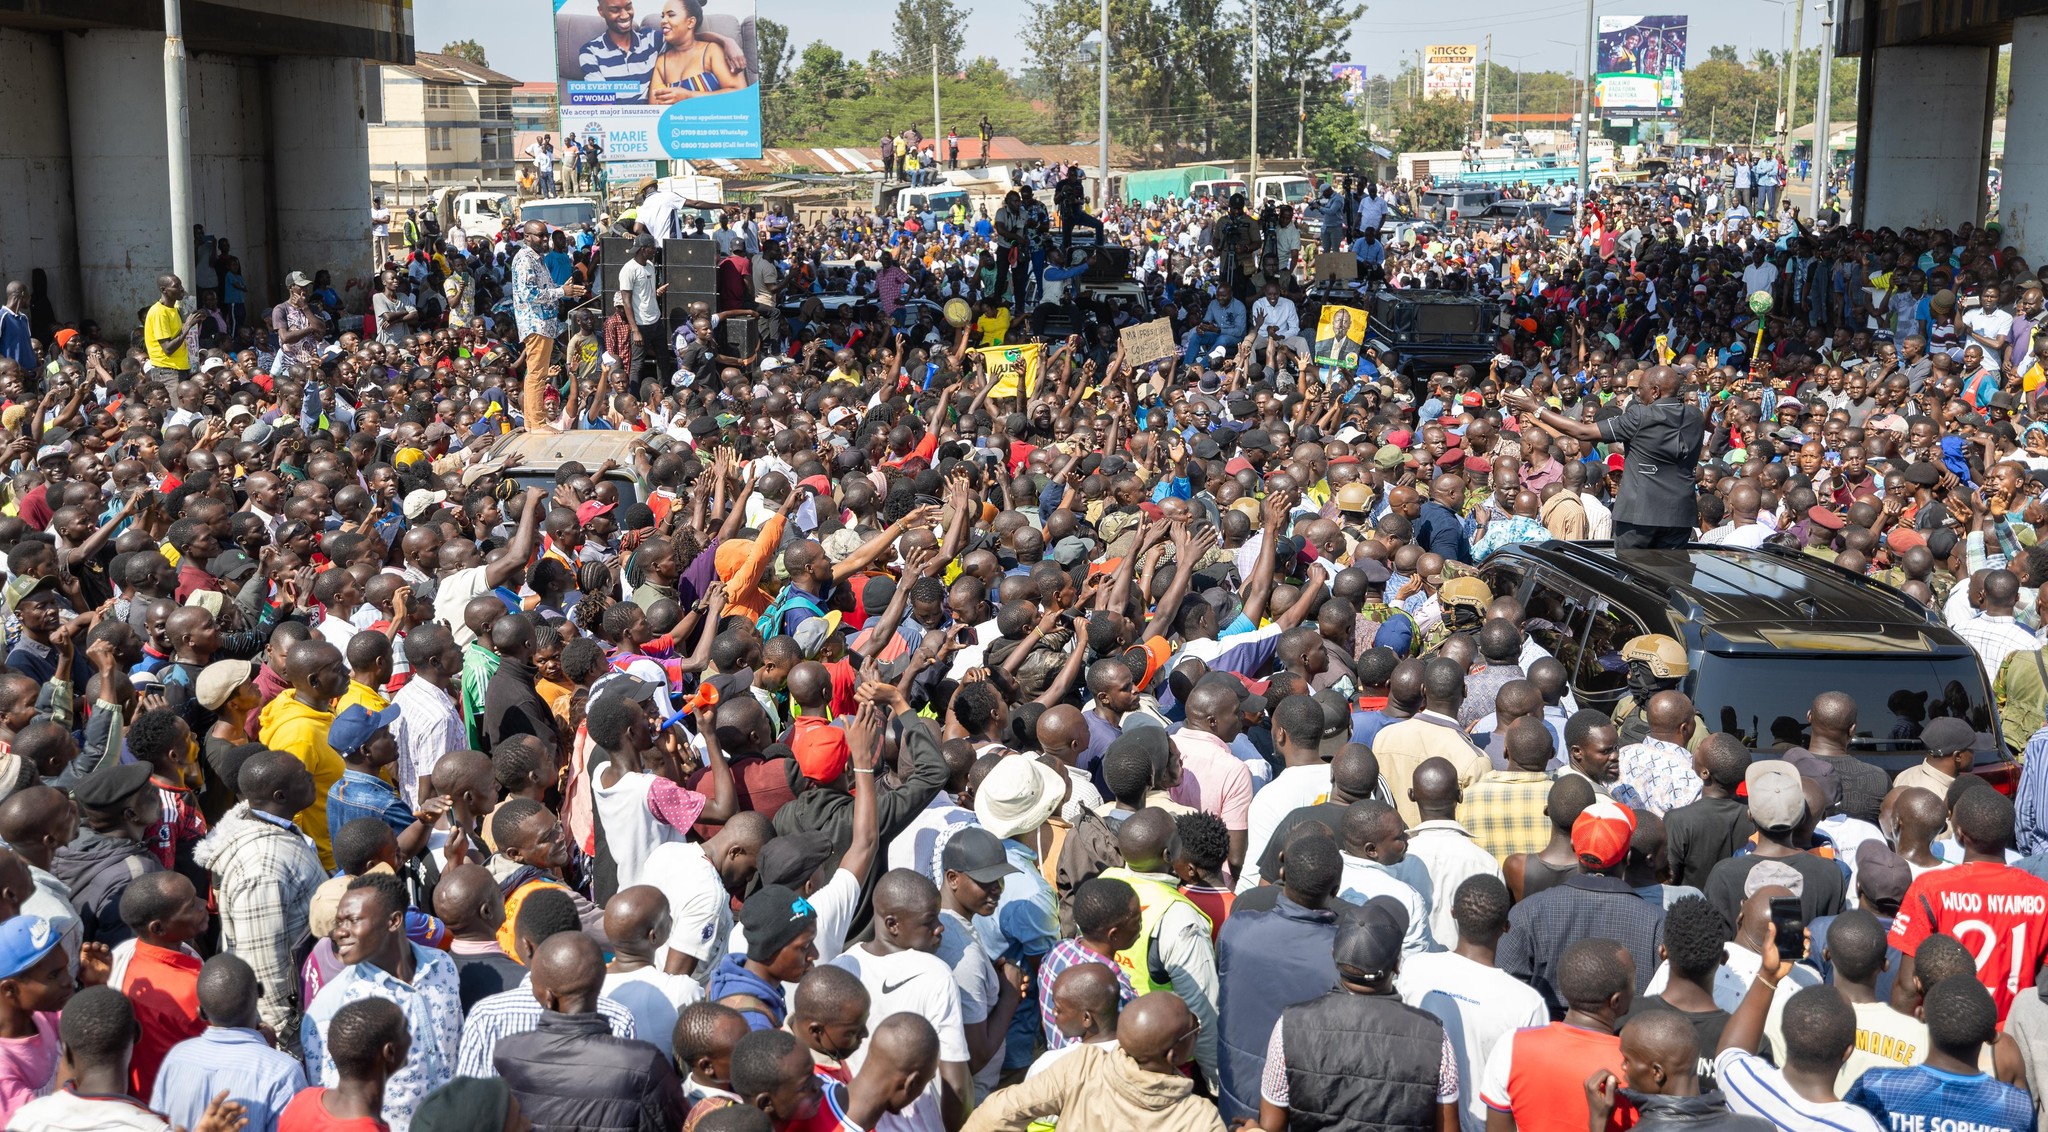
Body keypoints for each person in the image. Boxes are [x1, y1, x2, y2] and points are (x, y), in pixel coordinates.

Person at [1398, 876, 1550, 1132]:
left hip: (1417, 1122)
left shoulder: (1413, 969)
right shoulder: (1527, 1003)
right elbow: (1533, 1090)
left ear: (1453, 913)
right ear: (1506, 927)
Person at [960, 992, 1224, 1132]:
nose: (1198, 1027)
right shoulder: (1198, 1118)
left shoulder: (1081, 1066)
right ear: (1173, 1055)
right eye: (1194, 1028)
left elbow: (999, 1112)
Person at [1504, 366, 1703, 550]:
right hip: (1681, 515)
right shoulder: (1695, 416)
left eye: (1640, 390)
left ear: (1656, 391)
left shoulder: (1641, 417)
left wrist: (1536, 409)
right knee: (1673, 578)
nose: (1637, 395)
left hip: (1639, 517)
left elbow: (1582, 432)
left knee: (1630, 578)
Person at [152, 954, 308, 1132]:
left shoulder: (176, 1057)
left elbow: (161, 1123)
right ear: (259, 993)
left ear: (202, 1013)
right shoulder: (284, 1072)